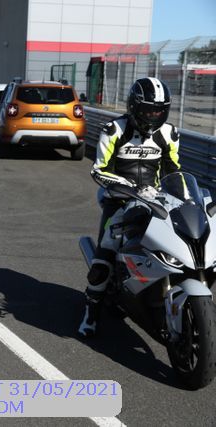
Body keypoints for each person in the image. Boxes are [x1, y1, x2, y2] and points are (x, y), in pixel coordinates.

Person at [78, 77, 180, 338]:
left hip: (156, 199)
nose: (153, 116)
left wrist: (184, 197)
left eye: (159, 111)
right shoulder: (114, 130)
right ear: (134, 107)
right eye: (148, 110)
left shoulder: (169, 133)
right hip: (119, 199)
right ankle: (91, 313)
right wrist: (130, 188)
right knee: (104, 257)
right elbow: (99, 170)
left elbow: (174, 170)